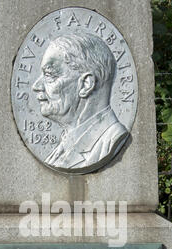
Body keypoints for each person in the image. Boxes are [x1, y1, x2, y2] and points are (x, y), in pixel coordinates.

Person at [32, 32, 128, 172]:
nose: (36, 86)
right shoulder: (61, 148)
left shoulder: (110, 140)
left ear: (86, 84)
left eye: (49, 74)